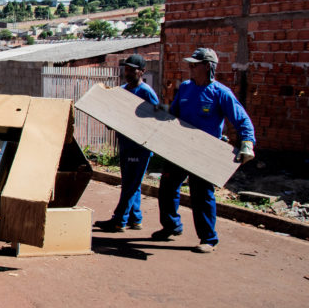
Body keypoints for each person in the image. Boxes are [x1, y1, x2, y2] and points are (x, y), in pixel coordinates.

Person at [153, 47, 256, 253]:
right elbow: (173, 115)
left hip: (205, 151)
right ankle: (172, 226)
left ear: (208, 66)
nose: (190, 68)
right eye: (190, 64)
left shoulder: (220, 93)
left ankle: (208, 238)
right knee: (167, 187)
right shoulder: (185, 88)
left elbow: (242, 119)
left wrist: (247, 143)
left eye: (194, 64)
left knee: (201, 195)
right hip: (181, 147)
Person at [95, 54, 158, 232]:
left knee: (131, 184)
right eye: (126, 69)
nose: (128, 73)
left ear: (142, 72)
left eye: (132, 70)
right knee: (131, 182)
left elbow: (157, 119)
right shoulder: (122, 90)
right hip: (125, 144)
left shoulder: (146, 92)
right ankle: (135, 218)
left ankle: (119, 220)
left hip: (140, 147)